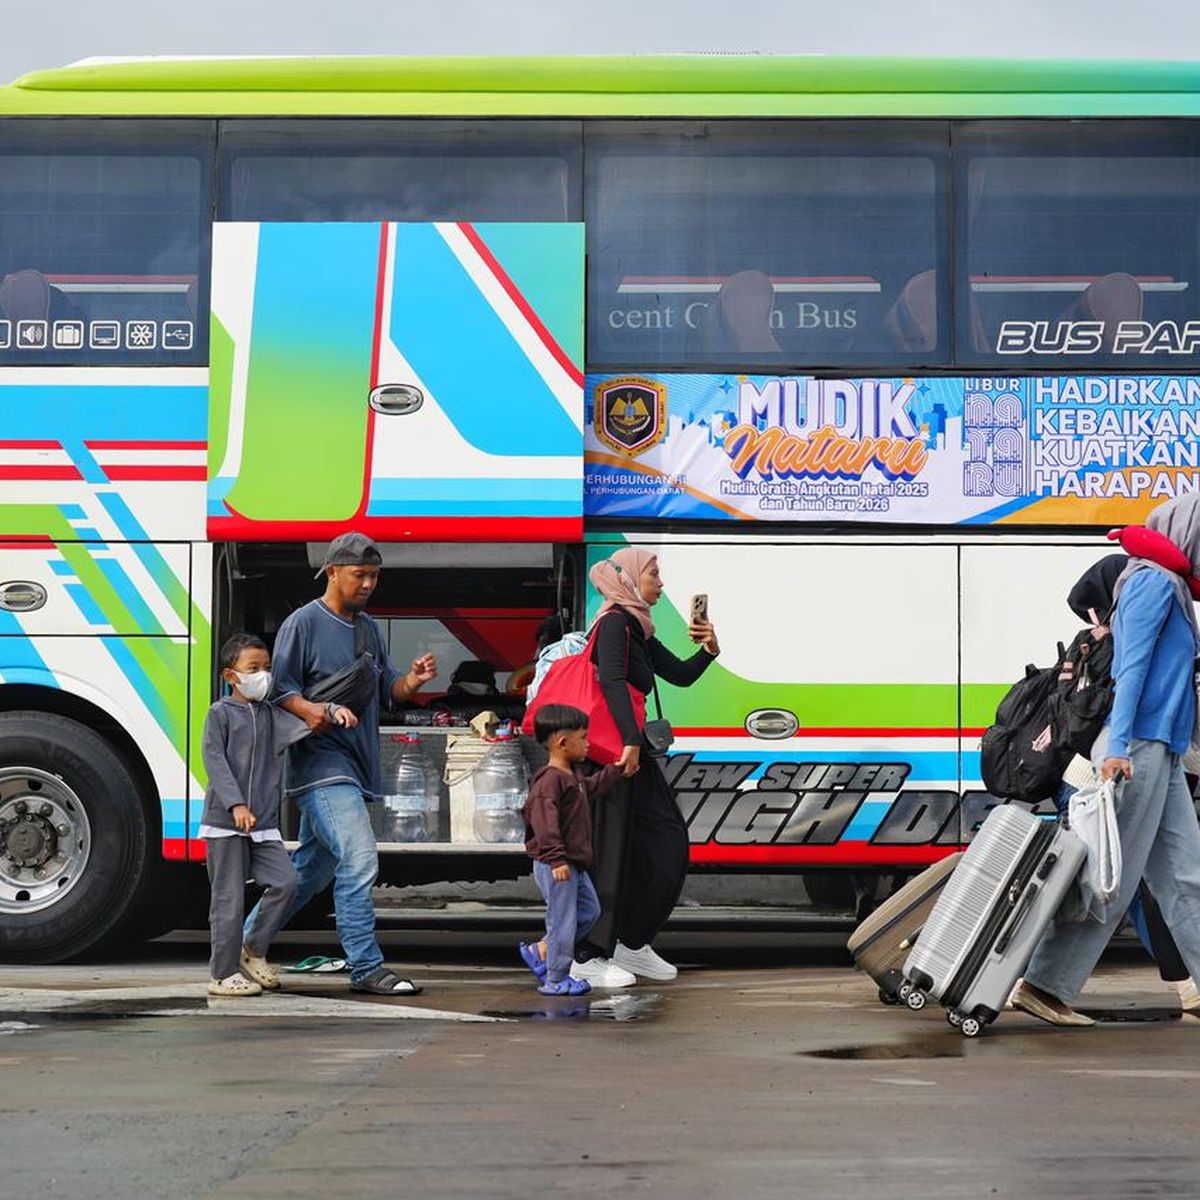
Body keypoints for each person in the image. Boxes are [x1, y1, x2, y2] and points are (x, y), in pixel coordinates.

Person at [1012, 493, 1200, 1026]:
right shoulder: (1153, 583)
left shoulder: (1172, 587)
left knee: (1186, 876)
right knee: (1112, 880)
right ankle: (1045, 986)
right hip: (1134, 747)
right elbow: (1133, 670)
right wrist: (1117, 748)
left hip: (1158, 750)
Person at [245, 531, 438, 996]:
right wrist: (320, 711)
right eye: (360, 575)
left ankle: (242, 943)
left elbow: (390, 690)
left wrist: (412, 679)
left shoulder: (368, 628)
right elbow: (278, 689)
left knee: (312, 869)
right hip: (320, 764)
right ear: (331, 572)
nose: (369, 584)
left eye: (374, 576)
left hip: (356, 764)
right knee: (359, 856)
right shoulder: (303, 623)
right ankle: (365, 966)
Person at [572, 548, 720, 988]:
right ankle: (588, 953)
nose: (661, 583)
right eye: (654, 574)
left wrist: (710, 650)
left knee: (667, 843)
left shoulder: (636, 627)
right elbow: (611, 681)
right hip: (614, 755)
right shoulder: (615, 623)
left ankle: (631, 943)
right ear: (631, 579)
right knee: (612, 855)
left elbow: (679, 674)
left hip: (634, 754)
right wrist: (630, 743)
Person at [200, 633, 352, 997]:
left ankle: (252, 950)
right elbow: (214, 761)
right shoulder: (219, 713)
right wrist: (235, 804)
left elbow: (309, 720)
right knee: (228, 900)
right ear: (230, 675)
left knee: (285, 882)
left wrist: (332, 711)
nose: (263, 676)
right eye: (253, 669)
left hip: (262, 825)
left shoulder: (270, 715)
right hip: (226, 824)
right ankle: (221, 974)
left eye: (267, 668)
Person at [518, 704, 626, 996]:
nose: (588, 743)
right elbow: (544, 824)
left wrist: (617, 771)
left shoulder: (571, 776)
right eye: (584, 737)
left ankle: (541, 949)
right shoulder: (549, 781)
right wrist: (556, 859)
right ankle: (555, 978)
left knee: (589, 912)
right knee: (563, 921)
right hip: (558, 864)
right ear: (562, 743)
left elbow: (589, 789)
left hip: (573, 863)